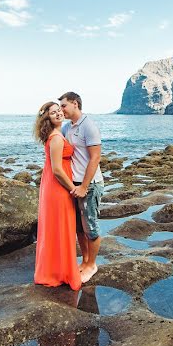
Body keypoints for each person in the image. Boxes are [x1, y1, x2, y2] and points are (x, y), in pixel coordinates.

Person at [32, 101, 82, 291]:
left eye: (59, 110)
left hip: (53, 187)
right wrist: (73, 189)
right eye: (53, 113)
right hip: (58, 188)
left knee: (57, 228)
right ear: (48, 118)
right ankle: (58, 272)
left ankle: (58, 269)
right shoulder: (56, 138)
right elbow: (58, 170)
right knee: (61, 228)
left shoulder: (56, 135)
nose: (59, 113)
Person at [58, 91, 104, 284]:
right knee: (79, 227)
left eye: (64, 106)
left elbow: (95, 158)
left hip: (90, 185)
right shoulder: (67, 127)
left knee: (90, 227)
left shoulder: (89, 126)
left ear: (75, 104)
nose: (61, 110)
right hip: (74, 185)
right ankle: (85, 262)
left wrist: (84, 186)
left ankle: (92, 265)